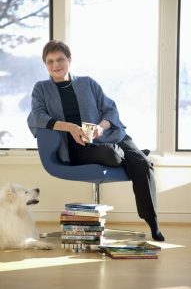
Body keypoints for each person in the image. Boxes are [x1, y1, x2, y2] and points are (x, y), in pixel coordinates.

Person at [27, 40, 165, 241]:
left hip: (111, 135)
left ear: (69, 60)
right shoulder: (41, 89)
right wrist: (70, 127)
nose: (55, 65)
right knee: (112, 155)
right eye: (50, 62)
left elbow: (111, 109)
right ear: (45, 64)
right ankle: (133, 156)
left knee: (143, 165)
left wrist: (101, 126)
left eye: (60, 59)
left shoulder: (88, 82)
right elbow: (37, 116)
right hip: (79, 146)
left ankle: (153, 223)